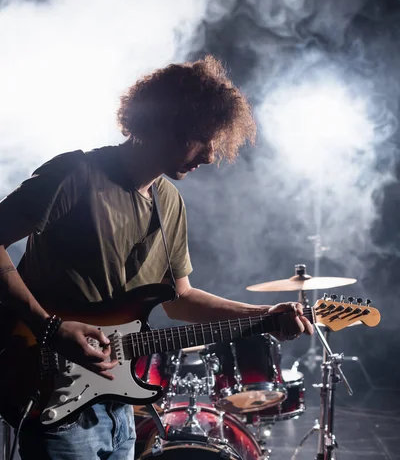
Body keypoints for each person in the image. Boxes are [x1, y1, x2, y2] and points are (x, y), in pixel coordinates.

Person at [0, 55, 313, 459]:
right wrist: (50, 328)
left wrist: (264, 314)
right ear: (166, 122)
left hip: (118, 402)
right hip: (51, 392)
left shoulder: (169, 202)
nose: (211, 156)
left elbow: (181, 300)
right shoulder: (73, 175)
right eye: (204, 137)